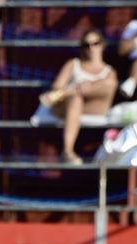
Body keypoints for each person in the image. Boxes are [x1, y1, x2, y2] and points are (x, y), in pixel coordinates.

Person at [39, 29, 115, 165]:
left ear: (102, 45)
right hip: (69, 106)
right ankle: (68, 151)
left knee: (104, 85)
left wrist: (86, 87)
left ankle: (73, 92)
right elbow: (57, 86)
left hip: (94, 106)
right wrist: (78, 90)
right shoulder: (73, 64)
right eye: (87, 45)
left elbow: (109, 88)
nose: (91, 48)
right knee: (76, 99)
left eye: (95, 43)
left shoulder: (109, 72)